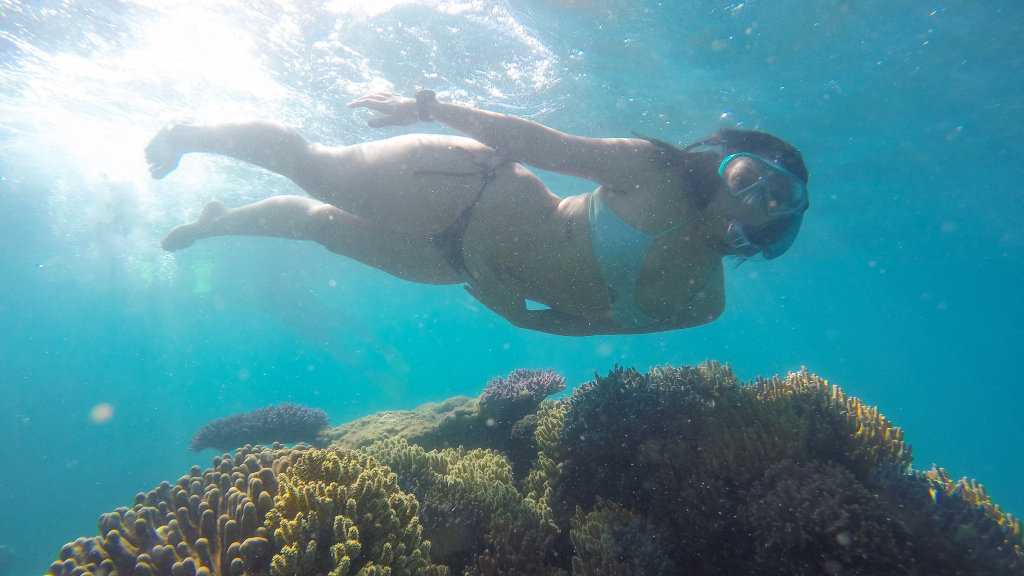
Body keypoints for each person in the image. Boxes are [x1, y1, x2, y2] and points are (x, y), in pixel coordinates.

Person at [145, 90, 809, 336]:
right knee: (314, 169)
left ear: (783, 224)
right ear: (722, 162)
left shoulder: (704, 303)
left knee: (319, 228)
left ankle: (212, 223)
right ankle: (188, 131)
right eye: (750, 176)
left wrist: (514, 315)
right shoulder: (654, 171)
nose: (756, 199)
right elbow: (538, 145)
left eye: (778, 200)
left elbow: (588, 325)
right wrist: (431, 107)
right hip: (471, 186)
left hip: (456, 262)